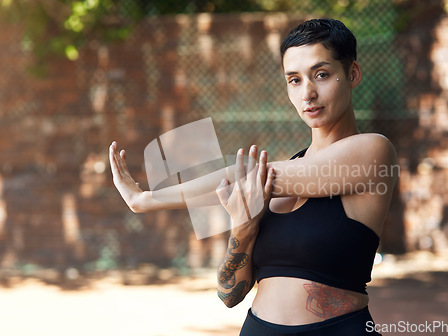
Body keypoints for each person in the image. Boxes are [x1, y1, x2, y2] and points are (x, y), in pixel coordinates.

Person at [110, 18, 397, 336]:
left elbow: (244, 174)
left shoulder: (373, 152)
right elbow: (229, 294)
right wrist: (243, 230)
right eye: (295, 80)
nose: (308, 93)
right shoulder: (287, 171)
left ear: (352, 74)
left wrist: (146, 199)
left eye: (322, 74)